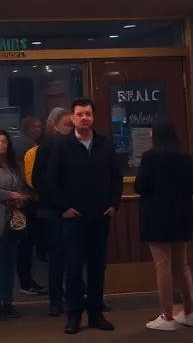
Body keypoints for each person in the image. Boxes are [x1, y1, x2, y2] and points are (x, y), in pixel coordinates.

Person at [43, 98, 123, 334]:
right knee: (75, 267)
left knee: (98, 268)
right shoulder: (63, 146)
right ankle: (74, 316)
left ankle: (96, 314)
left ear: (93, 117)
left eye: (88, 113)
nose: (84, 117)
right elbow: (51, 182)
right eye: (80, 114)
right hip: (73, 218)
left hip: (100, 216)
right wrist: (63, 208)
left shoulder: (104, 144)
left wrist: (114, 204)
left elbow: (116, 177)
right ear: (73, 118)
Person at [134, 121, 193, 331]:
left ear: (156, 135)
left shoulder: (150, 157)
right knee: (182, 265)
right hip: (181, 215)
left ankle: (167, 315)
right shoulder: (185, 156)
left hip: (157, 216)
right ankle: (189, 313)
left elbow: (139, 185)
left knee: (162, 264)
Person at [0, 130, 31, 321]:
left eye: (3, 142)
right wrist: (11, 196)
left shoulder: (14, 164)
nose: (0, 146)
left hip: (14, 220)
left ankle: (8, 303)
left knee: (10, 264)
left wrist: (19, 198)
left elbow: (21, 186)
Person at [30, 107, 72, 316]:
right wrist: (60, 206)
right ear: (54, 126)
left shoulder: (79, 147)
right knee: (57, 257)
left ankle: (77, 296)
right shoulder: (46, 149)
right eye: (67, 125)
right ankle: (56, 300)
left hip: (77, 211)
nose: (70, 129)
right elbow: (39, 181)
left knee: (77, 256)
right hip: (54, 211)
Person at [12, 116, 46, 295]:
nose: (38, 129)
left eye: (40, 126)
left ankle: (27, 280)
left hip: (27, 197)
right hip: (27, 198)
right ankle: (25, 281)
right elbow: (28, 174)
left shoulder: (27, 143)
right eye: (35, 127)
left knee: (27, 241)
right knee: (26, 242)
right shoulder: (27, 146)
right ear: (26, 128)